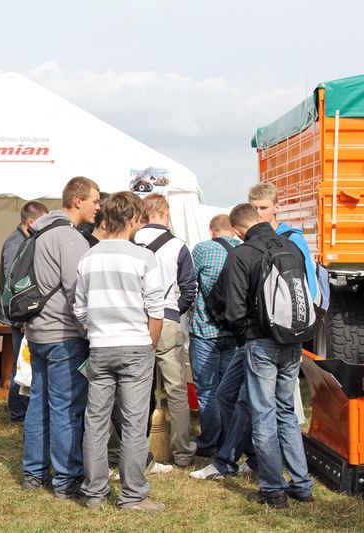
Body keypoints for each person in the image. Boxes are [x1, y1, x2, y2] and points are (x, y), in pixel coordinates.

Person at [214, 203, 314, 508]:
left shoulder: (242, 254)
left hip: (261, 343)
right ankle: (302, 483)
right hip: (292, 341)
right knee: (286, 412)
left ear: (236, 231)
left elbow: (233, 309)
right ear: (260, 219)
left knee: (264, 415)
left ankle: (272, 488)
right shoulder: (291, 247)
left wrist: (246, 335)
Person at [74, 191, 166, 512]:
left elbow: (80, 310)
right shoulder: (144, 257)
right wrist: (149, 345)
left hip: (100, 346)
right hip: (135, 345)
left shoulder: (88, 258)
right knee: (133, 424)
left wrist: (96, 331)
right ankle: (132, 496)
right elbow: (157, 311)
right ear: (132, 220)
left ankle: (95, 495)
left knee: (96, 423)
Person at [22, 176, 100, 499]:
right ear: (78, 200)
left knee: (39, 403)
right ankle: (66, 479)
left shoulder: (40, 233)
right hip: (64, 334)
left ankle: (34, 472)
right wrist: (91, 333)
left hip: (38, 331)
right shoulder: (70, 239)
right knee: (66, 406)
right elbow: (78, 293)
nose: (99, 207)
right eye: (95, 201)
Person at [132, 194, 197, 467]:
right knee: (176, 390)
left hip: (136, 319)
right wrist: (174, 310)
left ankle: (135, 448)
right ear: (166, 213)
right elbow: (190, 287)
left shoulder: (131, 241)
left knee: (135, 388)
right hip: (168, 318)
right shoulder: (179, 246)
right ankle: (182, 452)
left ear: (144, 215)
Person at [188, 214, 241, 456]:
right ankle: (229, 442)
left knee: (207, 389)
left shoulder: (203, 248)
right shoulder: (243, 248)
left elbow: (189, 282)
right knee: (229, 390)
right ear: (233, 230)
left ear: (212, 231)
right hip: (235, 330)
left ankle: (209, 441)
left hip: (205, 329)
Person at [0, 201, 49, 423]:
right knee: (21, 365)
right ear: (31, 222)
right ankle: (18, 414)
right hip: (18, 314)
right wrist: (23, 315)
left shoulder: (26, 240)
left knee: (24, 363)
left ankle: (23, 411)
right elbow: (13, 281)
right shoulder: (15, 243)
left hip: (22, 312)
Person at [248, 183, 317, 300]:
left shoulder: (292, 238)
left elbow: (308, 277)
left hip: (288, 309)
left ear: (276, 208)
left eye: (264, 208)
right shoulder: (250, 239)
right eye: (254, 208)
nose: (258, 213)